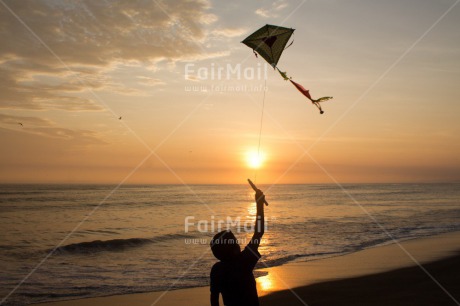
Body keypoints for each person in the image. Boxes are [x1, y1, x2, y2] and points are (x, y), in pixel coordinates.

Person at [209, 189, 266, 306]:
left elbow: (214, 297)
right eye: (236, 242)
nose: (238, 244)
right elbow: (258, 232)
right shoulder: (243, 262)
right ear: (234, 249)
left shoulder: (217, 270)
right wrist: (259, 204)